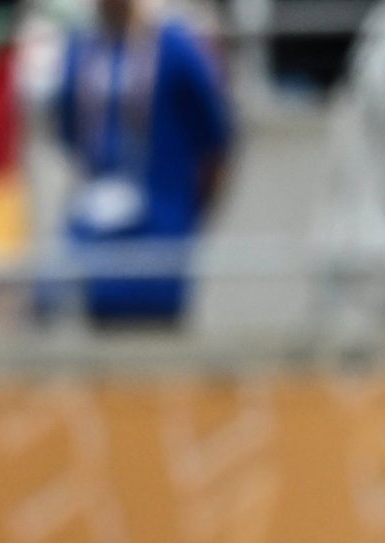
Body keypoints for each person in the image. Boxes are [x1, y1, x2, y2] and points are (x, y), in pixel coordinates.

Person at [53, 0, 235, 323]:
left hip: (161, 227)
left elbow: (215, 142)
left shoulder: (176, 49)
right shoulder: (81, 51)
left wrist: (193, 213)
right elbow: (69, 134)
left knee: (156, 348)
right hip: (100, 234)